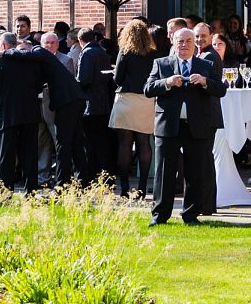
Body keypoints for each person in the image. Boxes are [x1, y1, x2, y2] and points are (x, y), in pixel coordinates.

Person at [144, 26, 226, 226]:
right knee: (164, 172)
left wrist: (206, 82)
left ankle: (191, 215)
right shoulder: (161, 63)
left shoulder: (205, 65)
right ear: (173, 42)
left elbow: (221, 90)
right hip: (168, 125)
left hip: (197, 125)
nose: (184, 45)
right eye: (180, 41)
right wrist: (167, 82)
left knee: (195, 171)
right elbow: (147, 89)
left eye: (189, 41)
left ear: (195, 44)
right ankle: (160, 215)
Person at [0, 36, 51, 193]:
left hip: (7, 113)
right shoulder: (31, 63)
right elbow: (37, 87)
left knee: (6, 154)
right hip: (30, 112)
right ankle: (31, 190)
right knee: (29, 153)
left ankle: (5, 191)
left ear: (3, 45)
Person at [111, 19, 158, 197]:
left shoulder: (125, 51)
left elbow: (118, 79)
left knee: (124, 145)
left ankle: (123, 188)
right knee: (144, 144)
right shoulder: (153, 54)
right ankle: (142, 188)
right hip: (146, 100)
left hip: (126, 99)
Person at [34, 31, 85, 185]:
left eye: (52, 43)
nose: (49, 45)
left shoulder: (66, 59)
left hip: (58, 107)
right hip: (39, 104)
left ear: (57, 44)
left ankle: (65, 176)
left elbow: (68, 83)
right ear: (41, 45)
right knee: (42, 142)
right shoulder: (37, 59)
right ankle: (43, 176)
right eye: (46, 43)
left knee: (61, 141)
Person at [74, 26, 115, 185]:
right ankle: (107, 178)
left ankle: (88, 178)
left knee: (90, 143)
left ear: (80, 41)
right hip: (103, 102)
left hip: (89, 104)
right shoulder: (103, 52)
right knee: (102, 142)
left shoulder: (87, 53)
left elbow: (84, 80)